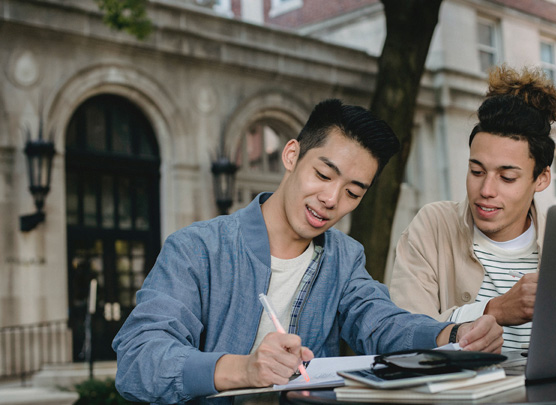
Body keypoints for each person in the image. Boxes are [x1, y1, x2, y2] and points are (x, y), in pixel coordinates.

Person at [112, 99, 503, 404]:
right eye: (322, 174)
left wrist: (451, 334)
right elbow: (138, 360)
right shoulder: (197, 249)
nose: (331, 199)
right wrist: (244, 369)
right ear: (292, 155)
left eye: (353, 192)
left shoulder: (343, 258)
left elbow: (383, 324)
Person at [389, 65, 556, 352]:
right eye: (476, 171)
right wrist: (493, 310)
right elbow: (400, 333)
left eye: (507, 177)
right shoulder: (434, 226)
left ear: (541, 178)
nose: (486, 191)